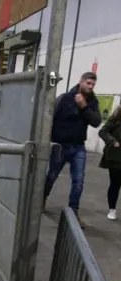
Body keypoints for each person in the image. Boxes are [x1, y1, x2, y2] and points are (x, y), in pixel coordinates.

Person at [43, 72, 102, 227]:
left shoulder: (92, 102)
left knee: (79, 181)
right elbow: (51, 118)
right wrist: (47, 140)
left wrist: (84, 107)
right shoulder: (65, 98)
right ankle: (41, 199)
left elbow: (96, 122)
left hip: (78, 147)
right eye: (88, 83)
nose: (91, 87)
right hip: (60, 145)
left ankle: (73, 211)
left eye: (93, 84)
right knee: (51, 175)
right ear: (80, 82)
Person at [98, 106, 121, 221]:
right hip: (116, 158)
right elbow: (102, 132)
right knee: (115, 185)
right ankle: (112, 209)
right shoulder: (115, 119)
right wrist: (113, 141)